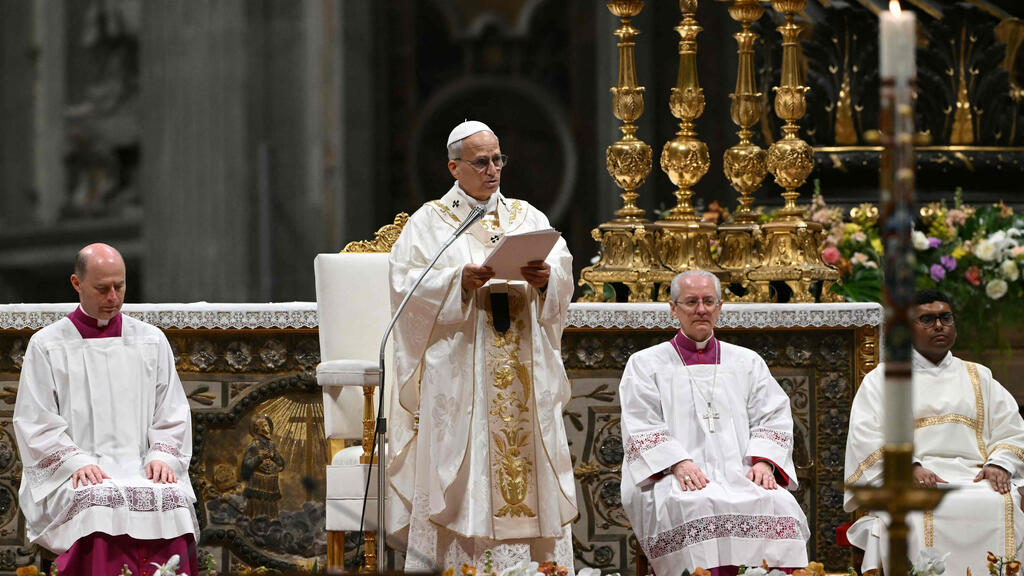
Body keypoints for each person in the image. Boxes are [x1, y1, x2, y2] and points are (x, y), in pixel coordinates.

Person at [387, 120, 577, 572]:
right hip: (461, 371)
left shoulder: (527, 217)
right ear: (454, 167)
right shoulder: (429, 224)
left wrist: (548, 280)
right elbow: (404, 287)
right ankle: (461, 564)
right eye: (481, 162)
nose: (493, 169)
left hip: (523, 364)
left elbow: (562, 269)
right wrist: (459, 283)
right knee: (466, 468)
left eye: (497, 159)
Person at [13, 243, 199, 575]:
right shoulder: (48, 345)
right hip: (77, 471)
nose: (113, 296)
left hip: (141, 463)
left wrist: (162, 455)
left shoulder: (150, 341)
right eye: (102, 288)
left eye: (120, 286)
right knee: (96, 504)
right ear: (76, 283)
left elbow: (171, 411)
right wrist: (74, 463)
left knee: (174, 501)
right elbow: (35, 420)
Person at [619, 270, 809, 576]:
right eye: (691, 302)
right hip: (676, 474)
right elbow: (641, 422)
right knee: (695, 505)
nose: (701, 309)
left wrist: (765, 462)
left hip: (741, 471)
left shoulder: (746, 361)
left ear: (720, 307)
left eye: (709, 301)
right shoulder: (646, 364)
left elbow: (773, 413)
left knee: (779, 504)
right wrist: (677, 462)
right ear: (673, 308)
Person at [844, 289, 1024, 576]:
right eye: (926, 319)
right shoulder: (883, 379)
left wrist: (999, 464)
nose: (939, 325)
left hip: (976, 477)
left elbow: (1012, 431)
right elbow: (867, 436)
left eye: (945, 318)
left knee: (1006, 501)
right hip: (914, 479)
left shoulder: (980, 376)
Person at [241, 414, 286, 518]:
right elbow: (246, 465)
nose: (267, 429)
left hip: (271, 483)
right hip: (258, 483)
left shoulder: (272, 445)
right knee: (257, 506)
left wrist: (274, 457)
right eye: (265, 426)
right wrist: (260, 457)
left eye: (268, 426)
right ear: (258, 429)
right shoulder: (254, 446)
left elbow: (281, 463)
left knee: (270, 508)